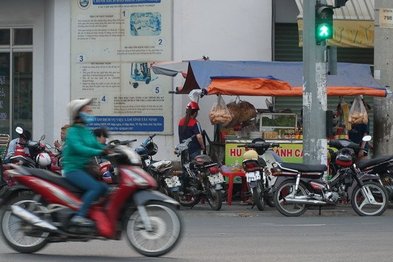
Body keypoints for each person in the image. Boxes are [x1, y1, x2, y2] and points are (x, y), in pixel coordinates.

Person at [62, 98, 108, 226]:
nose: (90, 113)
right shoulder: (72, 131)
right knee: (95, 187)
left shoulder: (85, 131)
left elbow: (96, 144)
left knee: (106, 188)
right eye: (87, 111)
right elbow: (79, 148)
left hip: (83, 169)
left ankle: (93, 212)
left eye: (90, 111)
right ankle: (80, 216)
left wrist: (110, 149)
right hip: (73, 169)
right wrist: (99, 152)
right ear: (77, 114)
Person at [178, 101, 205, 190]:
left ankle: (185, 190)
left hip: (184, 151)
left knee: (186, 170)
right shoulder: (195, 122)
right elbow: (199, 136)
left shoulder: (181, 122)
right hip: (194, 150)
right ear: (196, 112)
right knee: (196, 169)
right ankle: (197, 188)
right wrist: (202, 146)